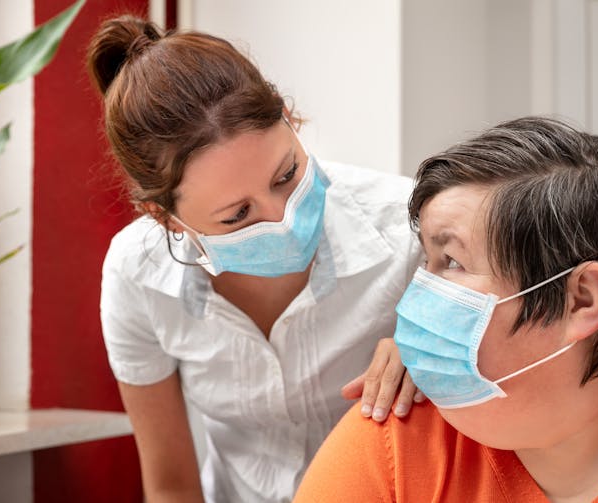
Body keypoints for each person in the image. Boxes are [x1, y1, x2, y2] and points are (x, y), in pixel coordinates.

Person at [293, 116, 598, 502]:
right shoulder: (401, 430)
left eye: (453, 263)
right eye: (428, 262)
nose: (417, 298)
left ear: (582, 299)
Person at [87, 15, 425, 503]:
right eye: (238, 215)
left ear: (291, 119)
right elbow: (171, 486)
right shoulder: (137, 275)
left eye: (286, 174)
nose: (282, 217)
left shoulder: (410, 226)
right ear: (165, 219)